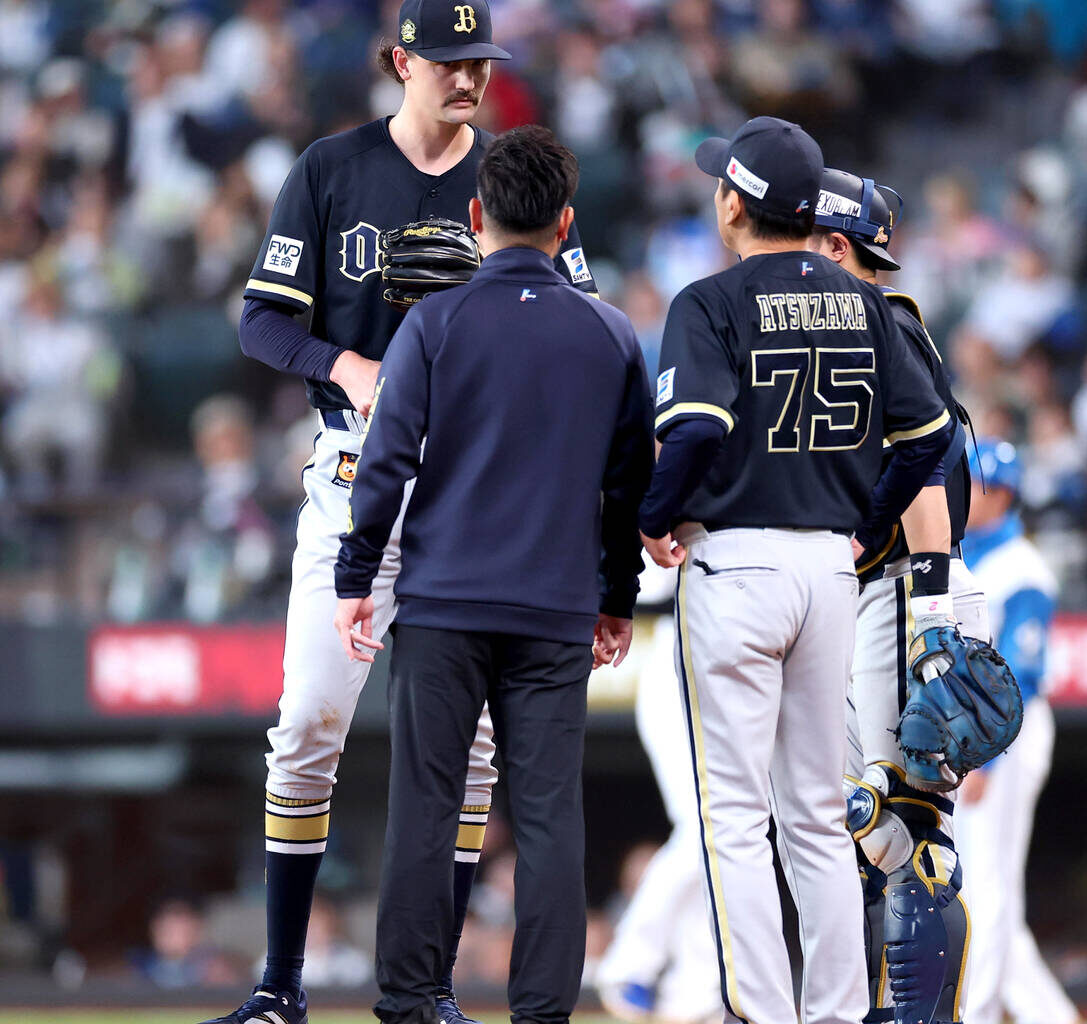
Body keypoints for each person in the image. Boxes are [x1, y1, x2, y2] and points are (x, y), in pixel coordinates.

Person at [203, 1, 598, 1021]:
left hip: (472, 488)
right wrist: (347, 360)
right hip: (351, 466)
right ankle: (281, 983)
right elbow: (260, 319)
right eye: (450, 59)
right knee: (305, 729)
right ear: (400, 62)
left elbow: (579, 315)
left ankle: (429, 993)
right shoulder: (332, 169)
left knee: (470, 757)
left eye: (480, 60)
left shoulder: (509, 175)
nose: (469, 76)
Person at [637, 116, 955, 1024]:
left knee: (736, 818)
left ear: (733, 200)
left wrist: (652, 517)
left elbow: (694, 427)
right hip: (829, 571)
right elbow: (929, 436)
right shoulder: (863, 300)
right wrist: (866, 517)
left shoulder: (710, 300)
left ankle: (763, 1014)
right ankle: (837, 1014)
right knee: (817, 815)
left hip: (735, 562)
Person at [333, 125, 653, 1024]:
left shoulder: (433, 322)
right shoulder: (613, 333)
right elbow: (629, 486)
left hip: (441, 605)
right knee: (551, 819)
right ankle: (542, 1014)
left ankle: (407, 1004)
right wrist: (617, 597)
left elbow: (386, 465)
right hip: (554, 610)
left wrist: (357, 576)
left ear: (476, 218)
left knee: (426, 807)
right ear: (567, 224)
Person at [809, 167, 987, 1024]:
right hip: (865, 592)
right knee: (837, 822)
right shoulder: (875, 324)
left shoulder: (874, 325)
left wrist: (936, 624)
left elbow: (932, 472)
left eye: (803, 236)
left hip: (900, 593)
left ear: (837, 246)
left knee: (906, 827)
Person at [953, 439, 1080, 1024]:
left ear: (999, 494)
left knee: (988, 887)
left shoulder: (1023, 568)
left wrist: (987, 759)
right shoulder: (965, 556)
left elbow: (1021, 679)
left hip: (1010, 735)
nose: (962, 492)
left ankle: (975, 1014)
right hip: (976, 735)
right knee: (985, 885)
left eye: (974, 484)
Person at [596, 608, 722, 1024]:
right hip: (680, 655)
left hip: (719, 658)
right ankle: (628, 965)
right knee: (706, 829)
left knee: (716, 837)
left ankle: (693, 986)